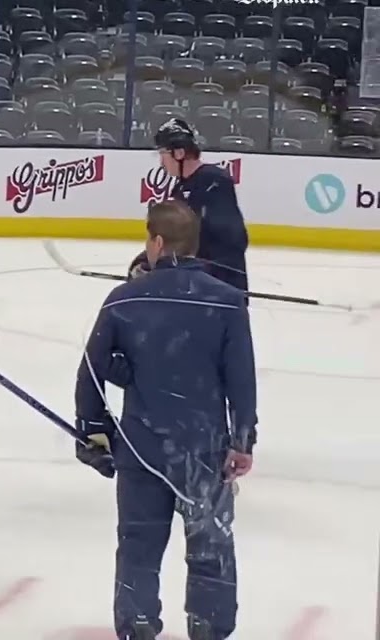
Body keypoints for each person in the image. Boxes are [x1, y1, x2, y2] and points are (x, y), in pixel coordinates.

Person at [75, 199, 257, 640]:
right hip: (204, 448)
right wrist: (243, 441)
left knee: (139, 546)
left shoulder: (123, 298)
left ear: (156, 242)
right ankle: (209, 625)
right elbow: (241, 379)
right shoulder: (229, 301)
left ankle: (137, 626)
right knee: (211, 545)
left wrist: (92, 432)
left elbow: (91, 375)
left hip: (142, 447)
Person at [129, 118, 249, 293]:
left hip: (220, 291)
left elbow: (232, 243)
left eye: (163, 154)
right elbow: (172, 241)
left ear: (179, 153)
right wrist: (146, 262)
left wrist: (194, 271)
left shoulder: (214, 182)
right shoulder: (180, 189)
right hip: (194, 287)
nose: (161, 163)